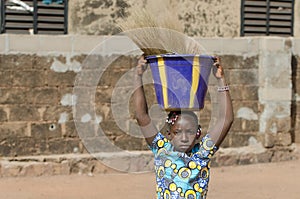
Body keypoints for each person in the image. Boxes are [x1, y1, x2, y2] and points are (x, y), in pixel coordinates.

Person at [133, 55, 233, 199]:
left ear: (198, 133)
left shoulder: (202, 152)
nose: (184, 138)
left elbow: (226, 119)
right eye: (177, 132)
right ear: (169, 133)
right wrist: (138, 76)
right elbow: (141, 116)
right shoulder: (162, 149)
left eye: (190, 132)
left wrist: (220, 79)